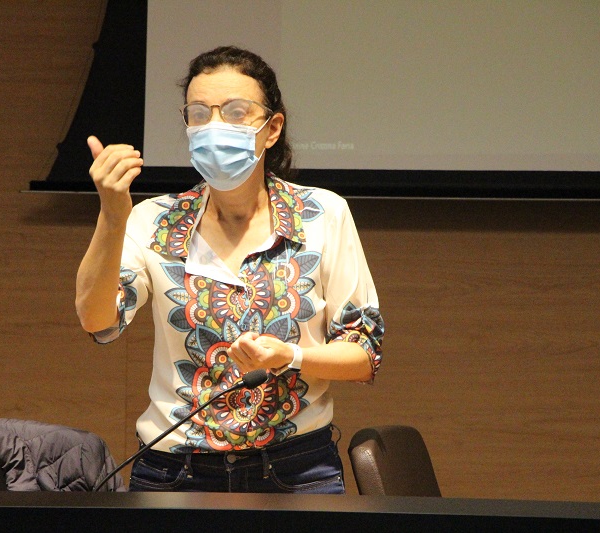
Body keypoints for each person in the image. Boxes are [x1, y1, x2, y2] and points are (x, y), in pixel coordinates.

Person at [76, 46, 384, 493]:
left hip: (296, 472)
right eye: (200, 114)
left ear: (272, 128)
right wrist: (112, 215)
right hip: (174, 473)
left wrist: (291, 356)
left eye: (236, 112)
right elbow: (97, 320)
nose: (215, 127)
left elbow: (363, 355)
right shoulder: (155, 221)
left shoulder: (323, 215)